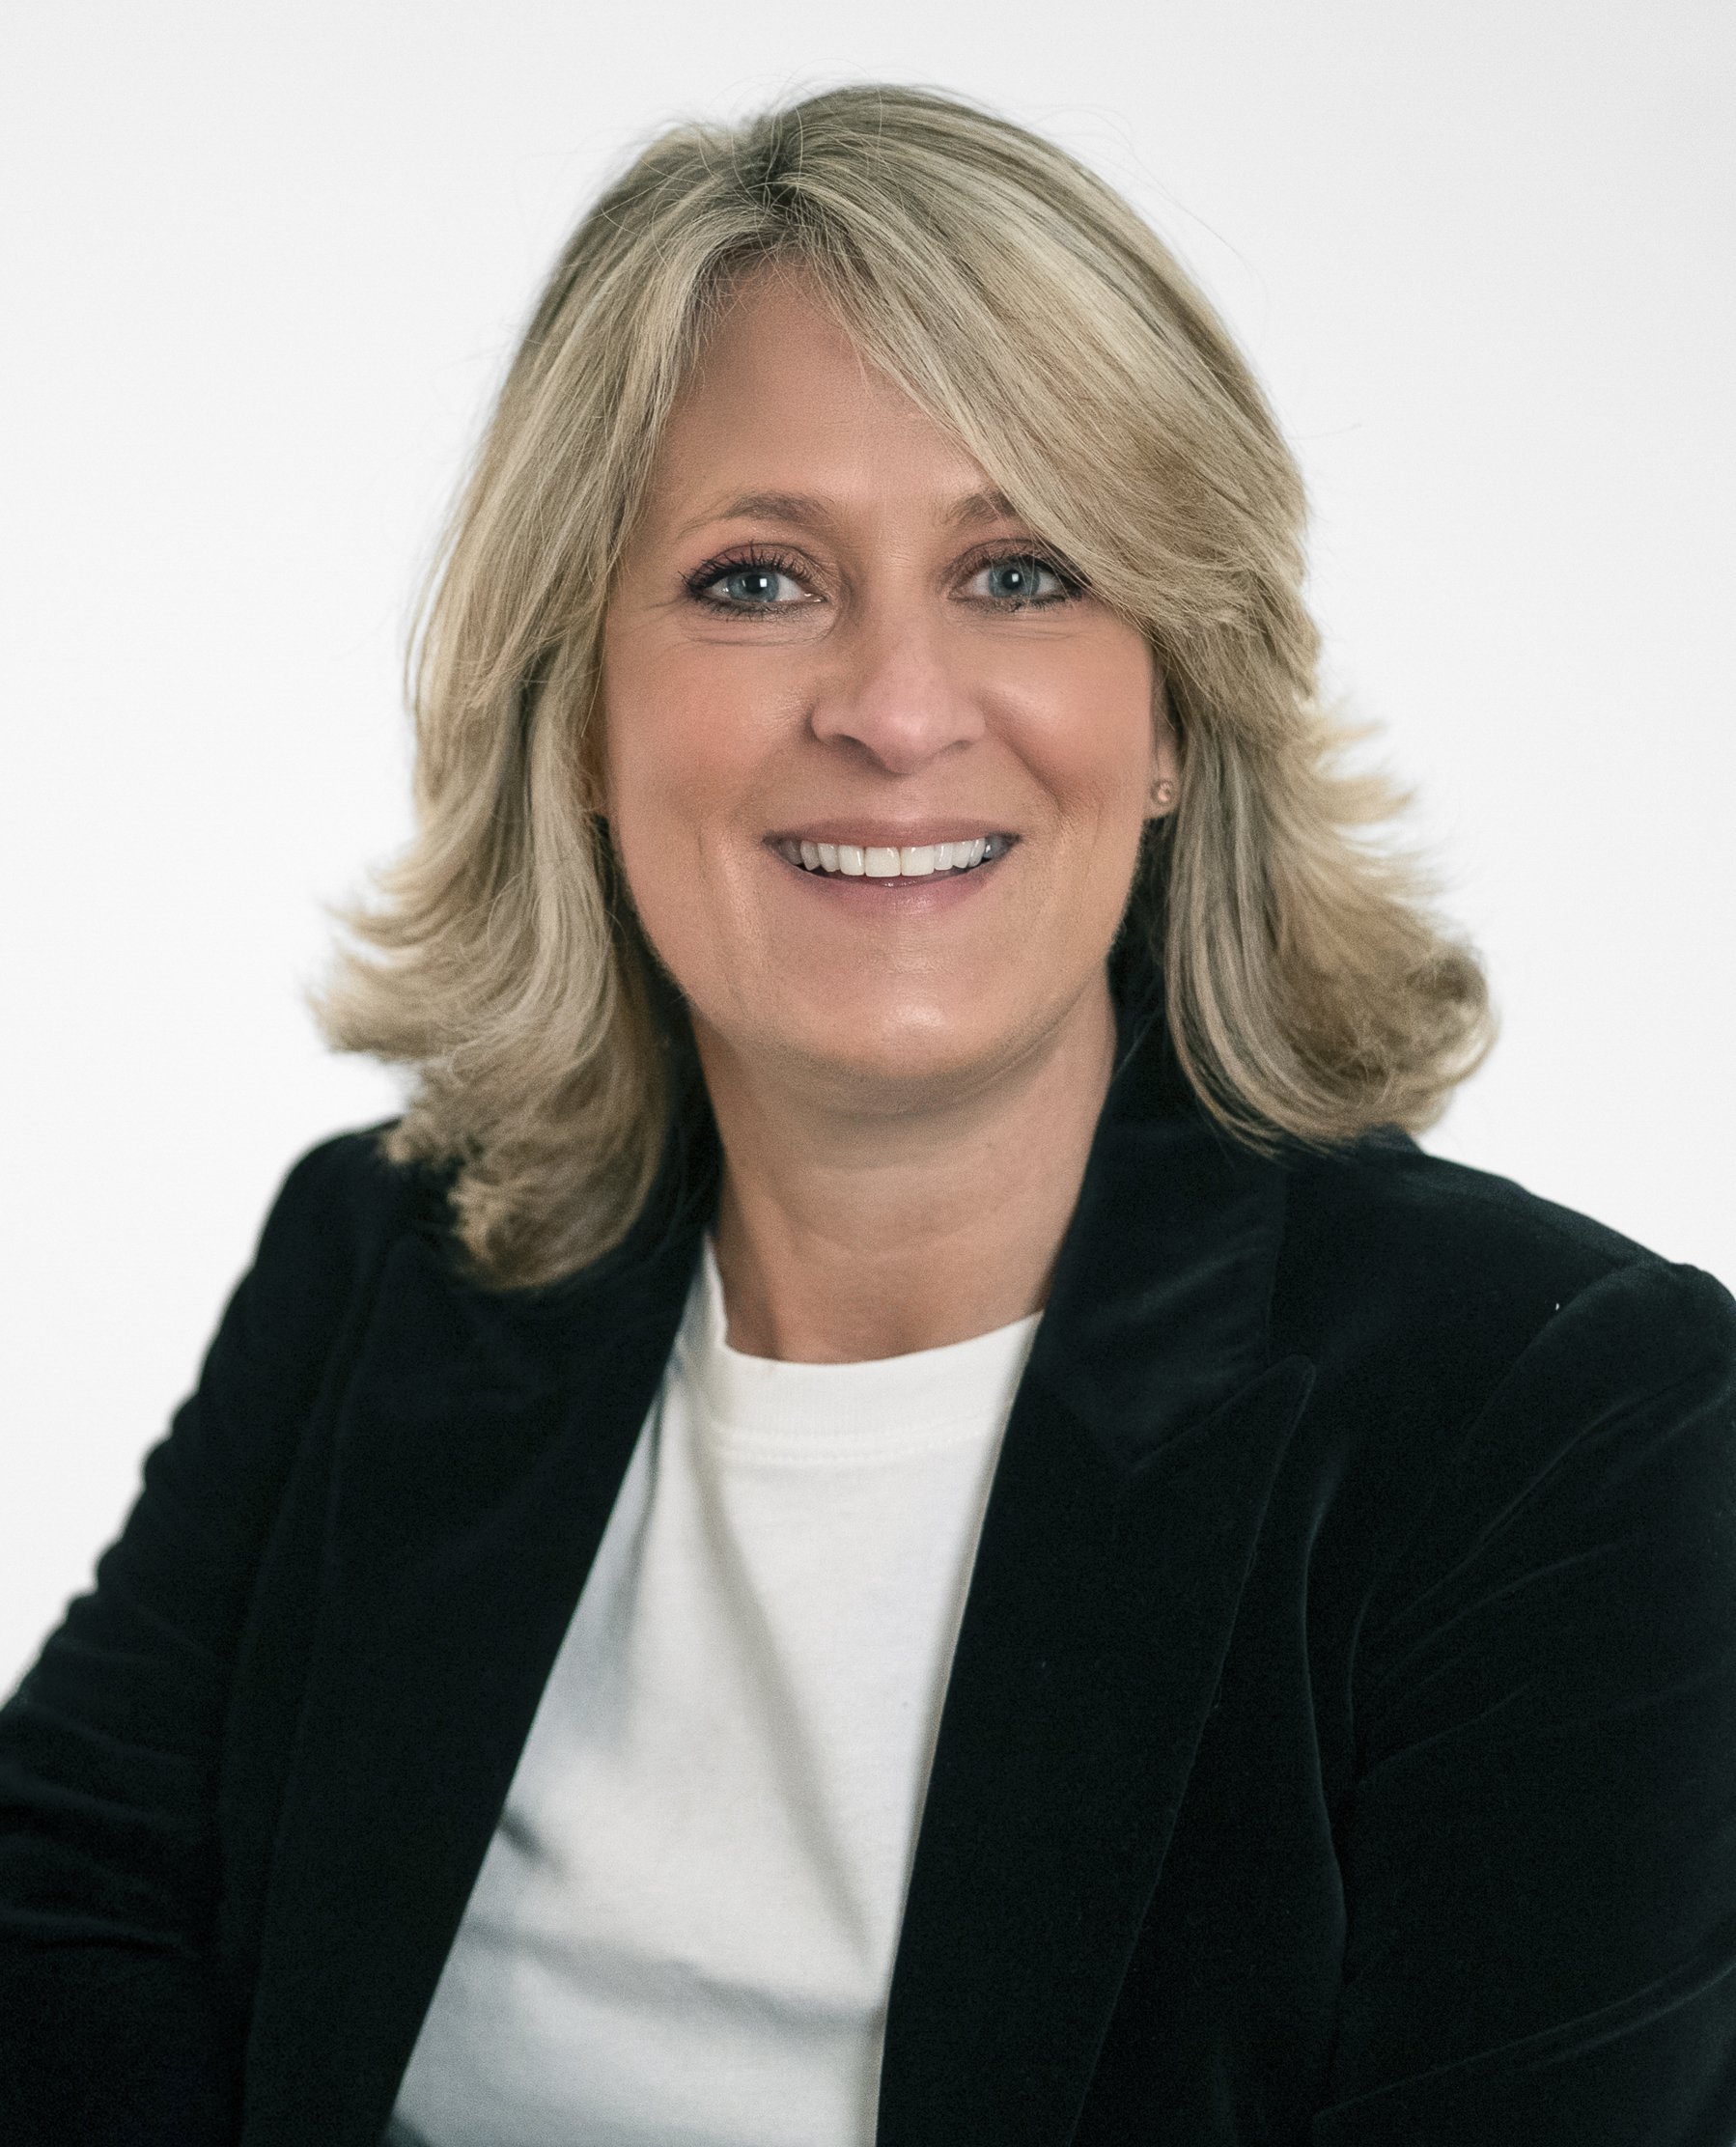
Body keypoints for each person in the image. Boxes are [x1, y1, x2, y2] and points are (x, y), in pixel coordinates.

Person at [2, 81, 1733, 2147]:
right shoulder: (393, 1258)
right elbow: (57, 1905)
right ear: (579, 711)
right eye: (754, 581)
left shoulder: (1562, 1426)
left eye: (1022, 572)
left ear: (1173, 715)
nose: (896, 710)